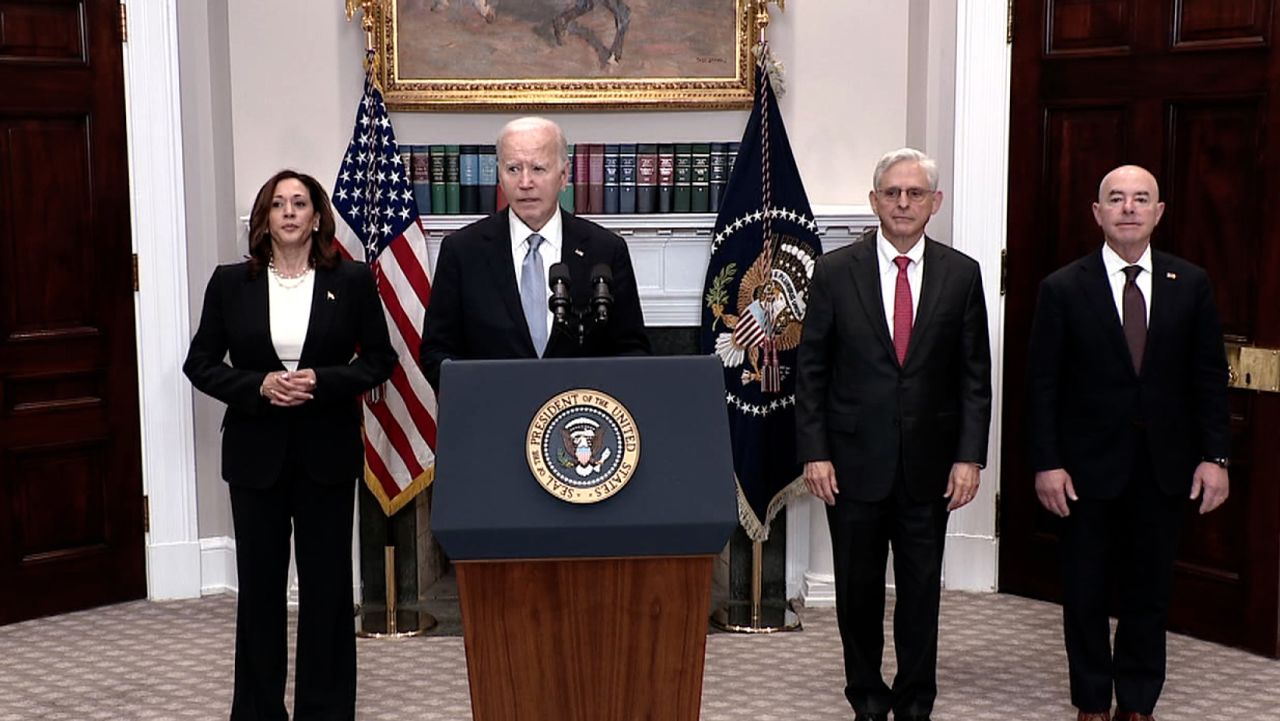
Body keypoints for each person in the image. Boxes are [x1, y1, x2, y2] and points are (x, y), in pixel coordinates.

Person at [184, 170, 397, 720]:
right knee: (259, 593)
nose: (288, 212)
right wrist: (257, 385)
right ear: (263, 220)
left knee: (327, 594)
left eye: (299, 202)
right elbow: (200, 363)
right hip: (256, 457)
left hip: (326, 454)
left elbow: (380, 360)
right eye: (277, 204)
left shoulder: (350, 281)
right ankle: (257, 711)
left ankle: (324, 711)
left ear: (317, 216)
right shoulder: (230, 283)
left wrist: (322, 382)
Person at [795, 148, 992, 721]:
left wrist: (969, 458)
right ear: (874, 200)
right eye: (891, 193)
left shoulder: (962, 274)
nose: (902, 204)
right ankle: (866, 698)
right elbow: (811, 373)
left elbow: (973, 377)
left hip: (931, 467)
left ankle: (914, 702)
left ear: (935, 203)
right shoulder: (835, 272)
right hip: (852, 464)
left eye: (914, 194)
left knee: (920, 594)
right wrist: (815, 453)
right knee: (857, 597)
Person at [1027, 165, 1229, 721]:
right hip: (1085, 472)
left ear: (1159, 212)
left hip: (1164, 469)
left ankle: (1137, 703)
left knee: (1149, 592)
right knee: (1086, 592)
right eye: (1116, 199)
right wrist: (1047, 463)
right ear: (1098, 213)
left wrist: (1216, 458)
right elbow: (1042, 386)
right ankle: (1092, 701)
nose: (1129, 208)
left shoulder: (1190, 283)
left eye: (1142, 199)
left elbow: (1209, 378)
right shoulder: (1063, 288)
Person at [419, 116, 650, 390]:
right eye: (513, 169)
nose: (525, 182)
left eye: (538, 168)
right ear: (499, 176)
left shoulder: (605, 250)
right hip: (493, 418)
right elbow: (437, 351)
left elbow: (633, 351)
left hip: (579, 423)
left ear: (564, 175)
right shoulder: (462, 250)